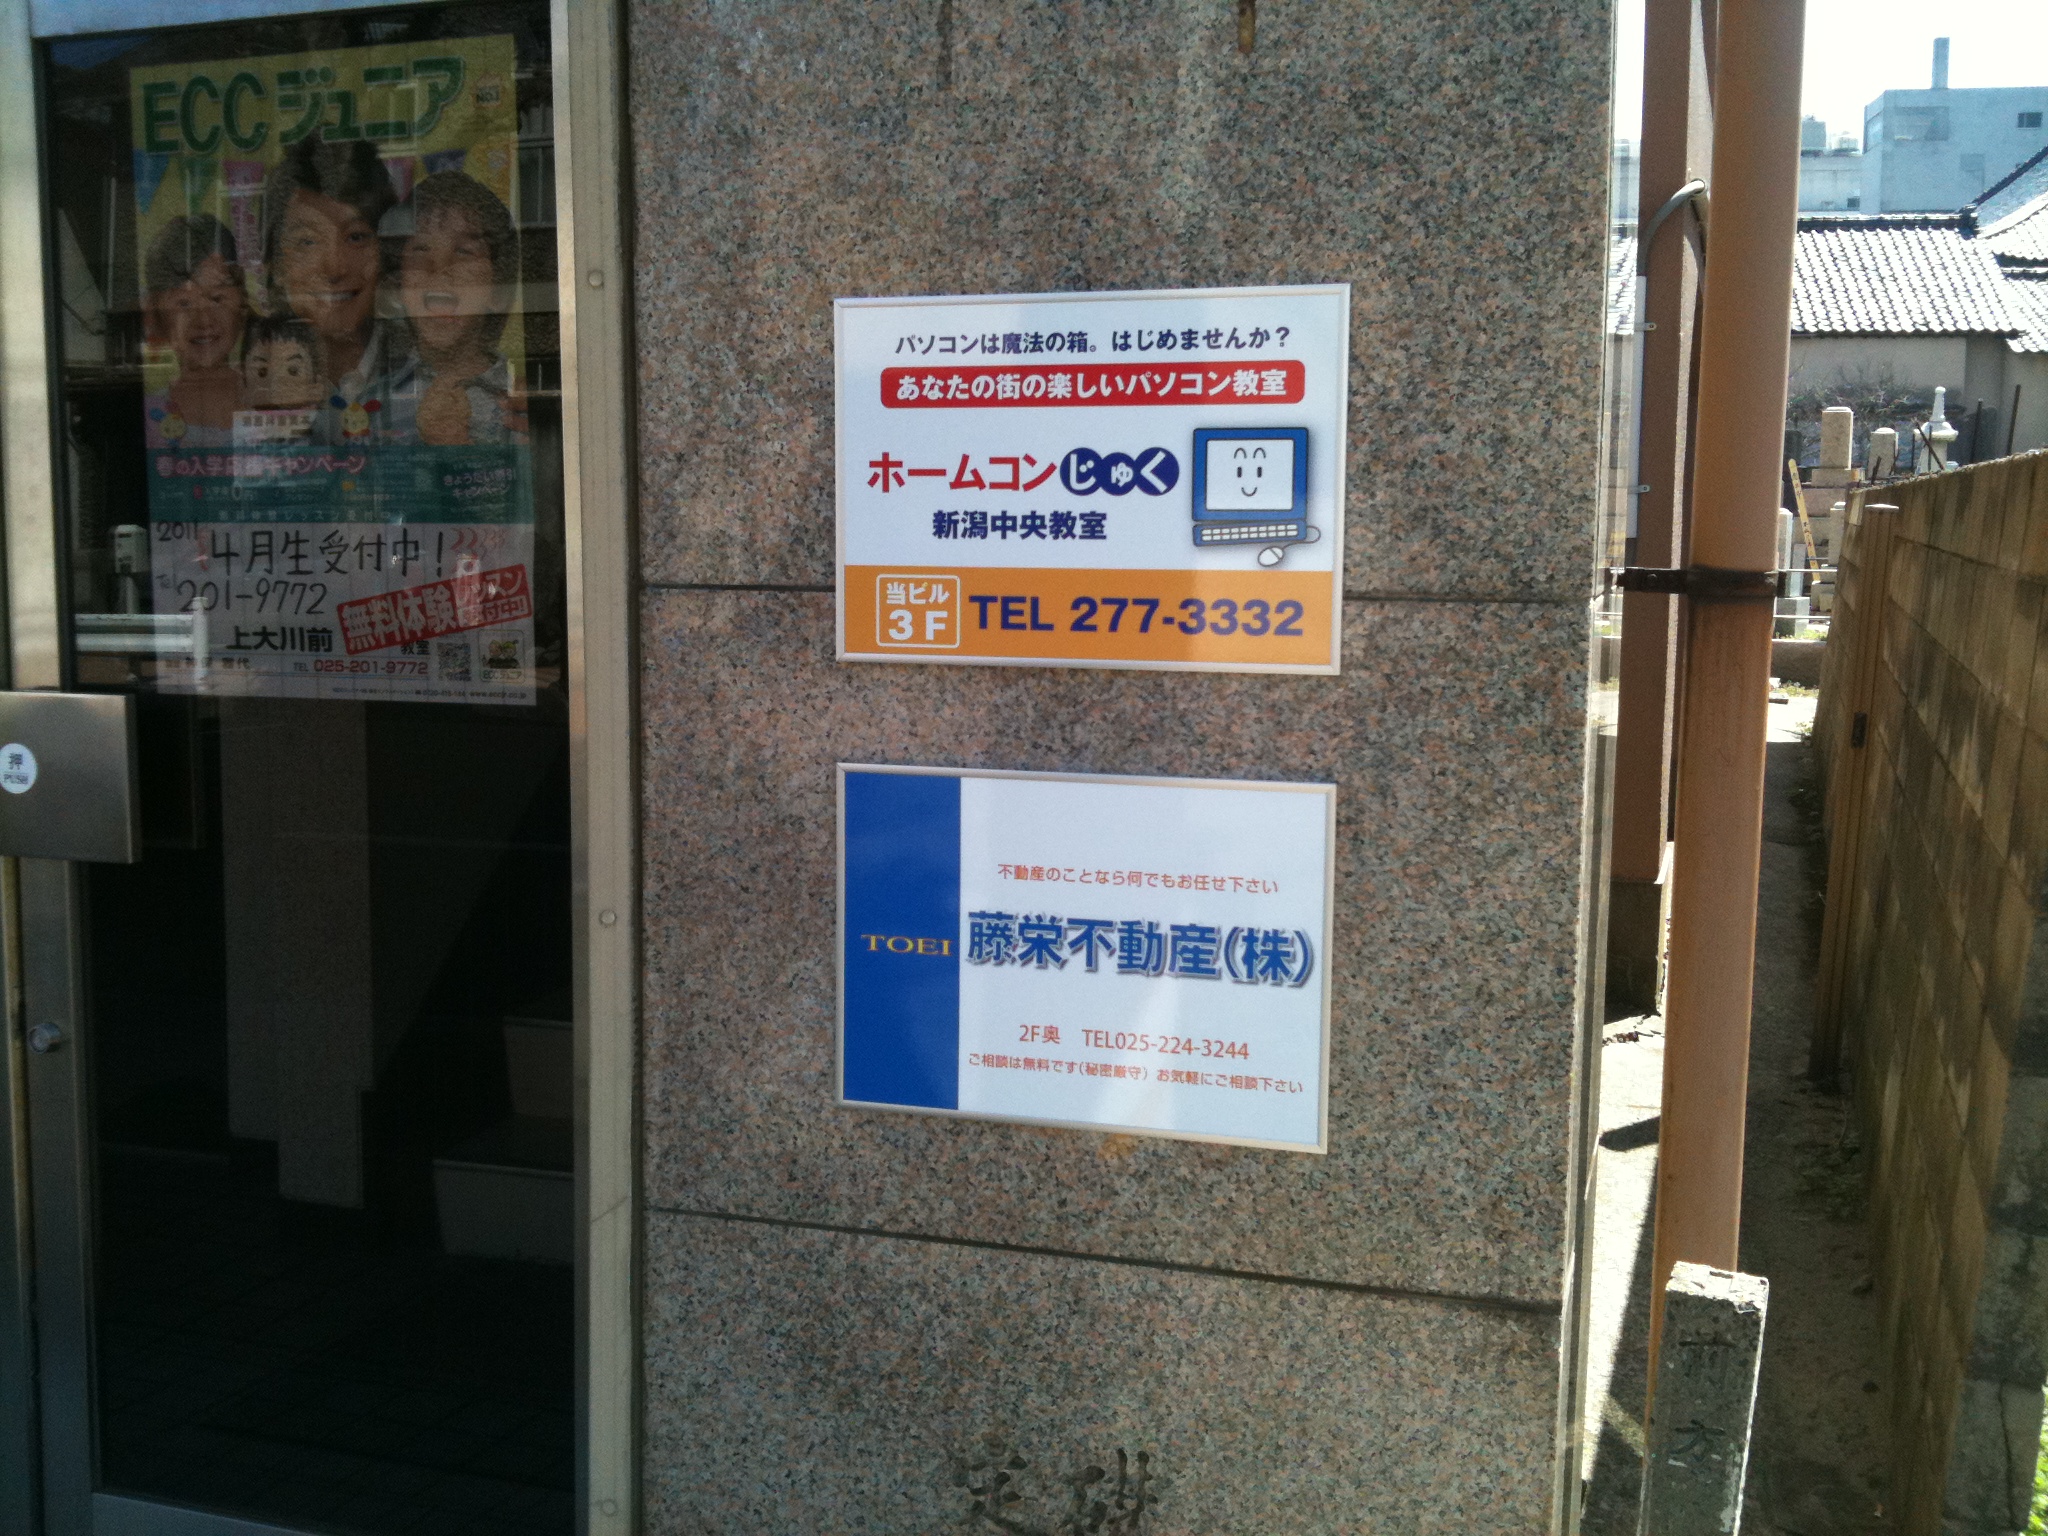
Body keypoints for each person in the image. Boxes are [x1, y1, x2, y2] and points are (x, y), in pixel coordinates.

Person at [259, 131, 410, 444]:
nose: (334, 268)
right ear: (276, 266)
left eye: (355, 237)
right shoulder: (253, 376)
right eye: (308, 242)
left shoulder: (425, 366)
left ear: (384, 253)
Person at [396, 170, 525, 445]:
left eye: (464, 251)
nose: (440, 268)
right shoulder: (373, 401)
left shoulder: (522, 403)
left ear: (497, 292)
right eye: (420, 249)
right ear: (398, 286)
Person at [142, 215, 248, 449]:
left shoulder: (269, 398)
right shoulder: (148, 415)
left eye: (217, 298)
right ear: (157, 316)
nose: (204, 320)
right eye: (184, 303)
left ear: (242, 304)